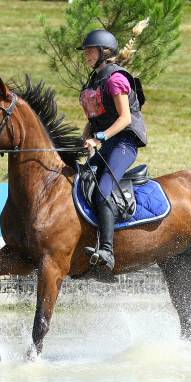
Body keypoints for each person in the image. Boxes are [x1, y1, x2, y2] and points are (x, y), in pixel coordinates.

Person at [77, 29, 148, 271]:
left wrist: (99, 138)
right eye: (85, 51)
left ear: (104, 53)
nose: (85, 55)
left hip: (123, 145)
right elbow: (95, 118)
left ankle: (107, 251)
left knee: (102, 191)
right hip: (104, 143)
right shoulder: (94, 80)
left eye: (89, 50)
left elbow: (125, 118)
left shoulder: (116, 80)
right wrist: (84, 138)